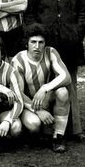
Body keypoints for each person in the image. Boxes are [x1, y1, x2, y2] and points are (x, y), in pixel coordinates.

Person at [24, 0, 85, 140]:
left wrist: (77, 34)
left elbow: (84, 13)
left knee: (70, 86)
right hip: (45, 46)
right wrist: (38, 37)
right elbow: (29, 16)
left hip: (70, 45)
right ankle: (49, 129)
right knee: (45, 87)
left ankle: (75, 129)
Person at [12, 25, 71, 153]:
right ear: (26, 43)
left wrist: (45, 88)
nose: (37, 46)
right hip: (27, 104)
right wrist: (38, 111)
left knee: (63, 92)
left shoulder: (51, 52)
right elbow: (19, 93)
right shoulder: (18, 60)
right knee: (34, 124)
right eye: (33, 42)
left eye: (41, 42)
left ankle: (58, 137)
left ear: (45, 44)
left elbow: (66, 76)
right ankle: (34, 135)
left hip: (45, 98)